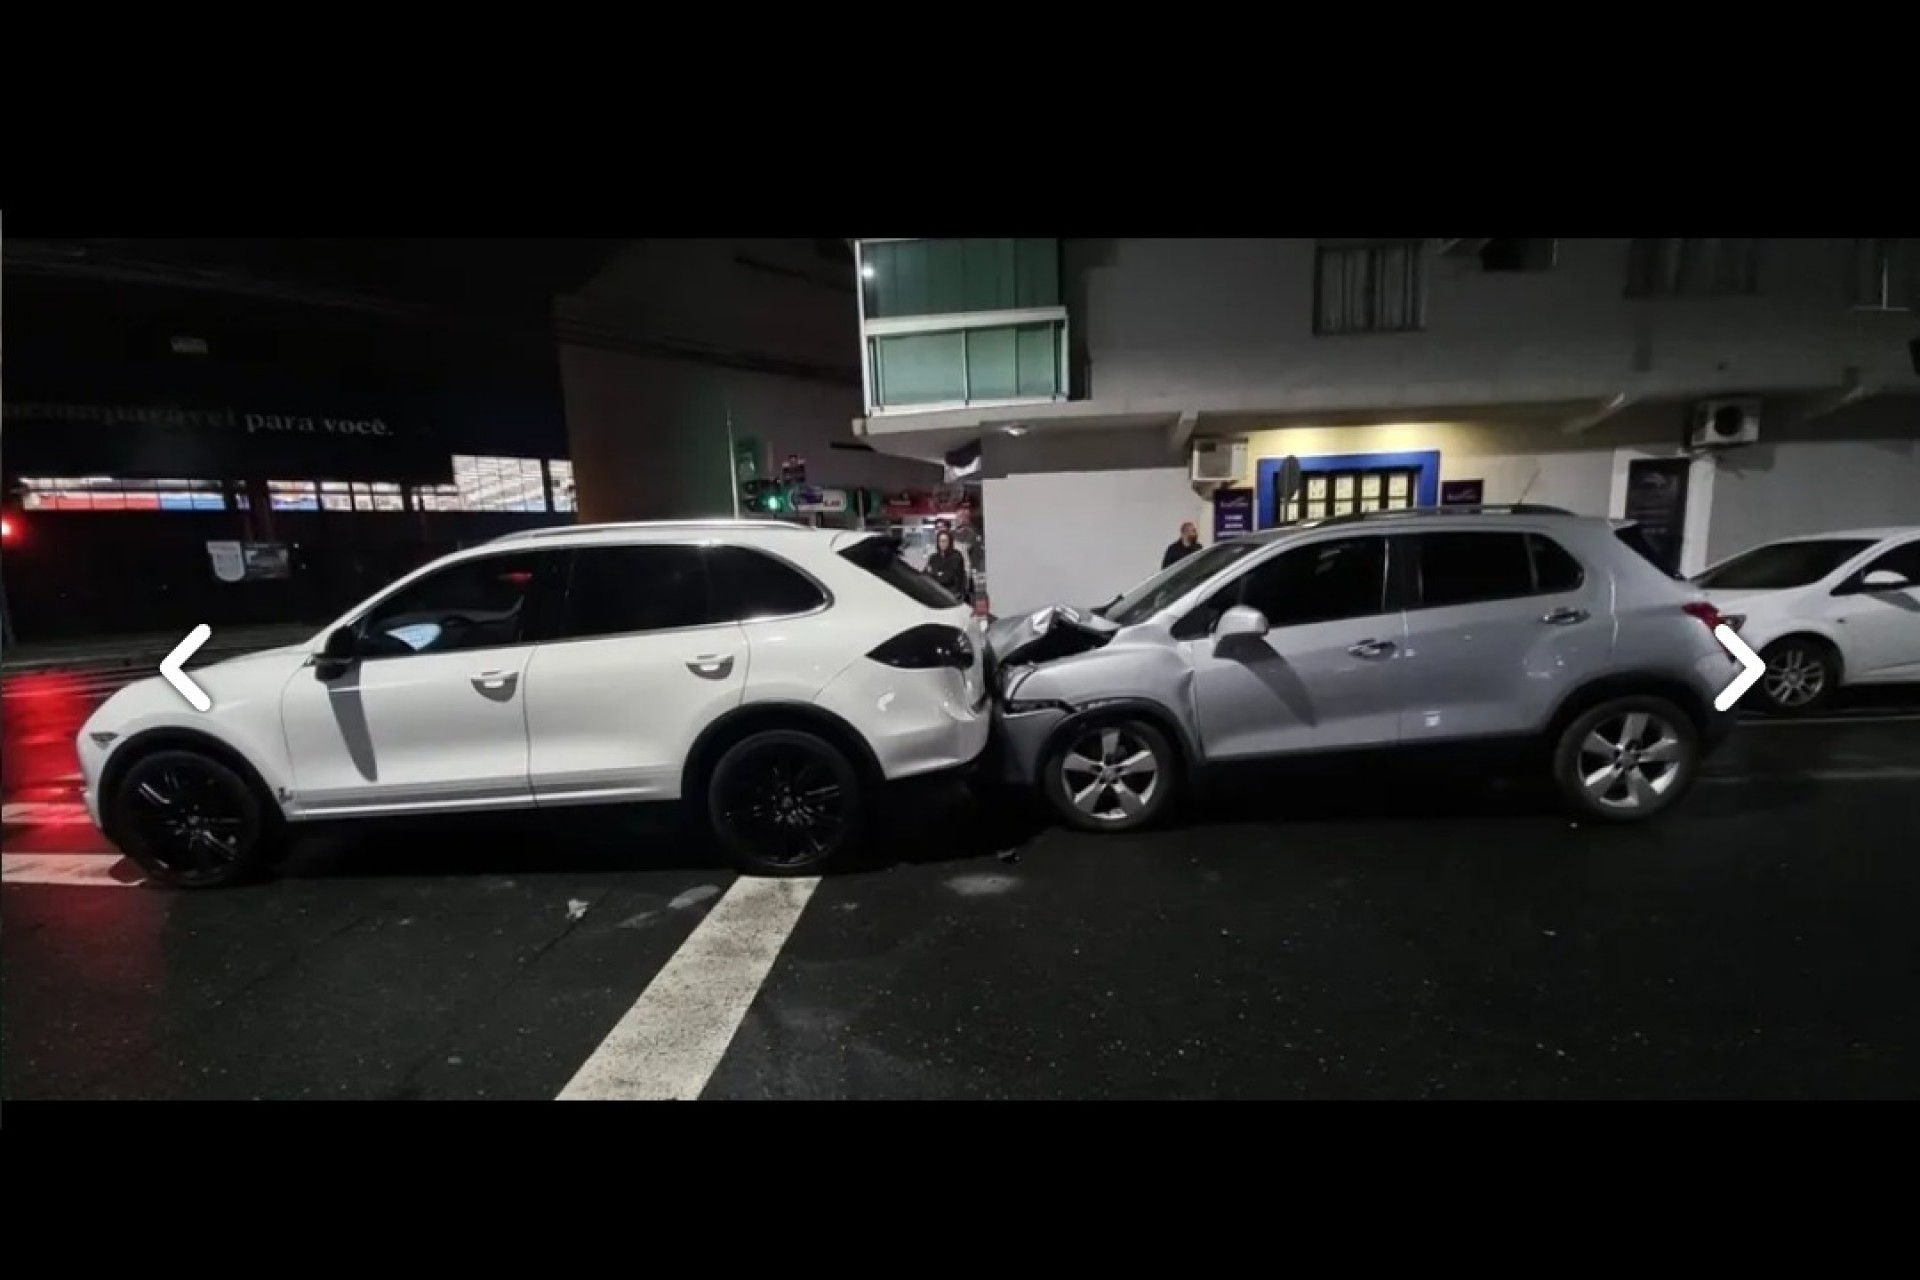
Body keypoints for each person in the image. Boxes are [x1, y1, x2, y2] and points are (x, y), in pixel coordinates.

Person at [925, 526, 972, 601]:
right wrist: (938, 573)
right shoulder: (933, 557)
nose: (942, 543)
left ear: (950, 542)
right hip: (936, 594)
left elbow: (946, 578)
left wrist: (933, 573)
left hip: (952, 595)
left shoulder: (956, 556)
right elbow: (926, 576)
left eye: (945, 541)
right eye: (940, 541)